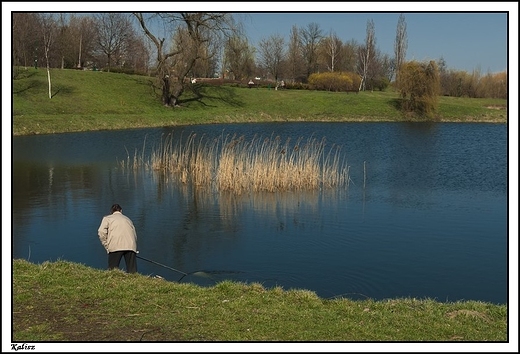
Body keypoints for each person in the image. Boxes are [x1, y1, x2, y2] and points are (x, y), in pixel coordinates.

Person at [97, 203, 138, 273]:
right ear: (121, 211)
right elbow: (134, 234)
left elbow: (101, 232)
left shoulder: (107, 218)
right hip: (131, 246)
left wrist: (106, 245)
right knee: (132, 271)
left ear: (111, 212)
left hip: (115, 245)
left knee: (112, 269)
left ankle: (113, 281)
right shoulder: (128, 219)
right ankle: (134, 281)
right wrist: (134, 248)